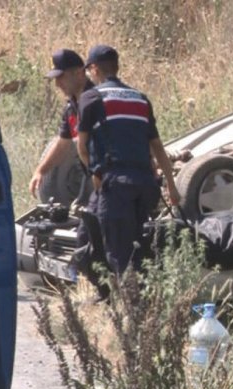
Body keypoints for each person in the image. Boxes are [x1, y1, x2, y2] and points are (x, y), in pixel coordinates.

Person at [77, 44, 180, 275]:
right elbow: (157, 148)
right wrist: (171, 187)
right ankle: (130, 299)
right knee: (139, 247)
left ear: (94, 69)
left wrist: (95, 172)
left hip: (115, 185)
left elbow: (81, 146)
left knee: (119, 253)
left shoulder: (90, 97)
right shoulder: (140, 99)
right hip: (145, 184)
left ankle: (131, 307)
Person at [30, 49, 95, 203]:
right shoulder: (71, 107)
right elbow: (63, 143)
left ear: (79, 73)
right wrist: (41, 171)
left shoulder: (98, 101)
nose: (57, 84)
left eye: (61, 77)